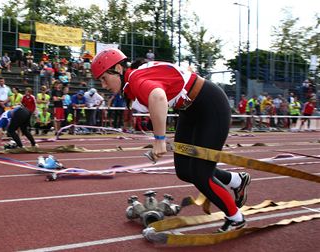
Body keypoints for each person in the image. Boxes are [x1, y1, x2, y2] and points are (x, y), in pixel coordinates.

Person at [91, 48, 251, 233]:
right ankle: (237, 181)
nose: (103, 85)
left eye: (104, 78)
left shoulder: (134, 79)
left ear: (118, 68)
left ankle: (236, 219)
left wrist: (159, 139)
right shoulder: (131, 80)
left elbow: (158, 97)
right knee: (184, 170)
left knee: (200, 174)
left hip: (210, 105)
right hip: (190, 109)